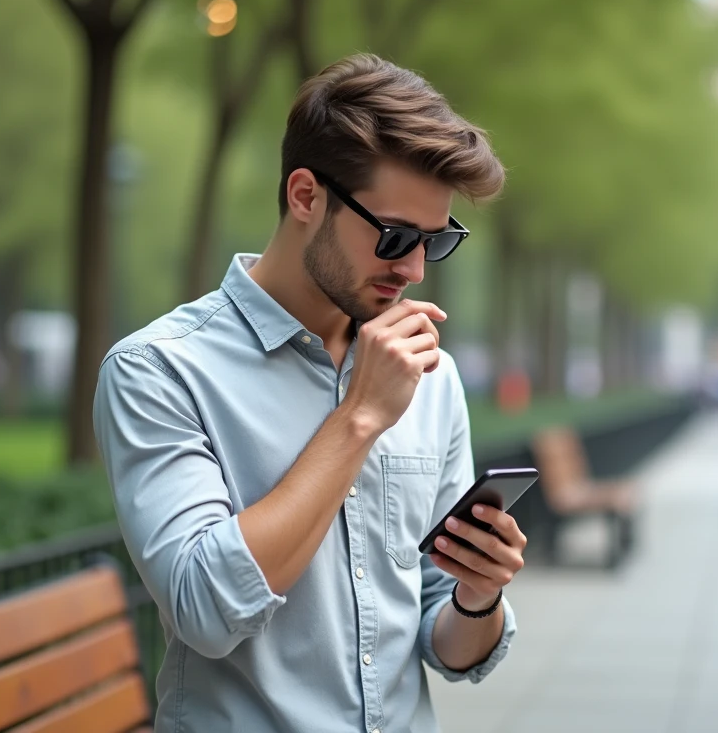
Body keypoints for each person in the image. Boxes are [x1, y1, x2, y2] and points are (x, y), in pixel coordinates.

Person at [93, 54, 526, 733]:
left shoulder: (431, 376)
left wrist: (479, 594)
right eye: (395, 236)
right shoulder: (159, 371)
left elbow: (445, 642)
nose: (414, 269)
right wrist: (359, 417)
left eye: (434, 242)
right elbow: (204, 609)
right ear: (305, 196)